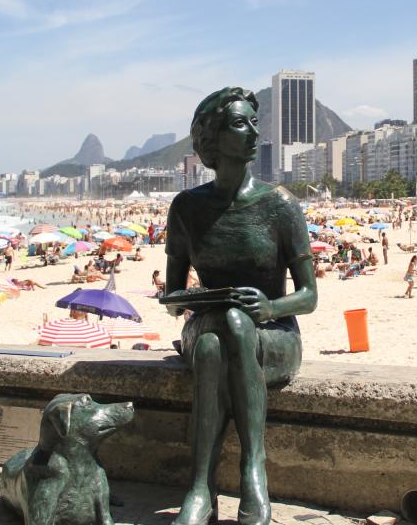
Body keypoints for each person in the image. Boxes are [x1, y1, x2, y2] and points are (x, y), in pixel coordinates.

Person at [161, 87, 318, 525]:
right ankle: (214, 483)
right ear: (212, 137)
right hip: (207, 329)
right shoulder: (187, 208)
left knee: (230, 330)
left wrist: (267, 307)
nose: (253, 133)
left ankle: (229, 478)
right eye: (239, 123)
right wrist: (207, 299)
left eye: (254, 122)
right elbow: (174, 298)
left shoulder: (280, 205)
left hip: (274, 334)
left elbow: (308, 297)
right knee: (217, 339)